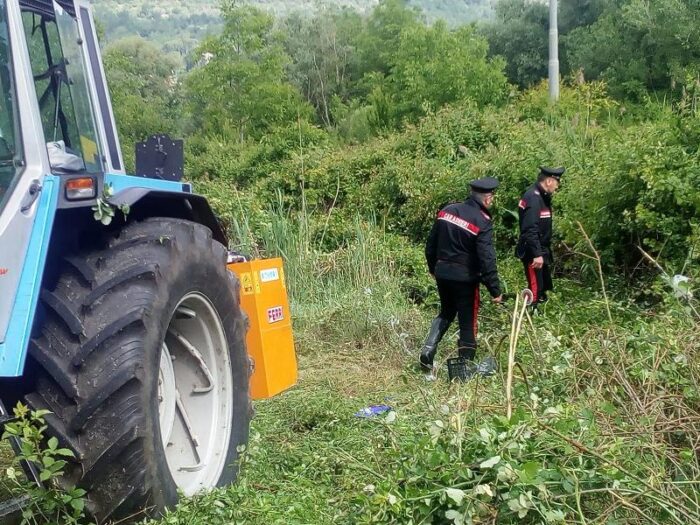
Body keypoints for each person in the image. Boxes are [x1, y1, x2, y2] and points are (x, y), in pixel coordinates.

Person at [420, 177, 503, 371]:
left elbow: (430, 244)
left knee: (447, 311)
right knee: (467, 321)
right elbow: (486, 258)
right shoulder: (482, 221)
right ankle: (462, 369)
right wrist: (495, 290)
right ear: (487, 197)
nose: (492, 200)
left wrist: (433, 268)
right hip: (465, 279)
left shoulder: (447, 211)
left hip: (442, 273)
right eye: (491, 196)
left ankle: (428, 349)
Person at [516, 166, 564, 306]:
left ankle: (540, 309)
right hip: (533, 252)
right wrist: (537, 254)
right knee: (535, 290)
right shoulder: (533, 198)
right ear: (549, 181)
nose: (557, 186)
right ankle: (532, 314)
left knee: (544, 286)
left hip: (541, 249)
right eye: (557, 182)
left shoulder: (542, 196)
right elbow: (530, 229)